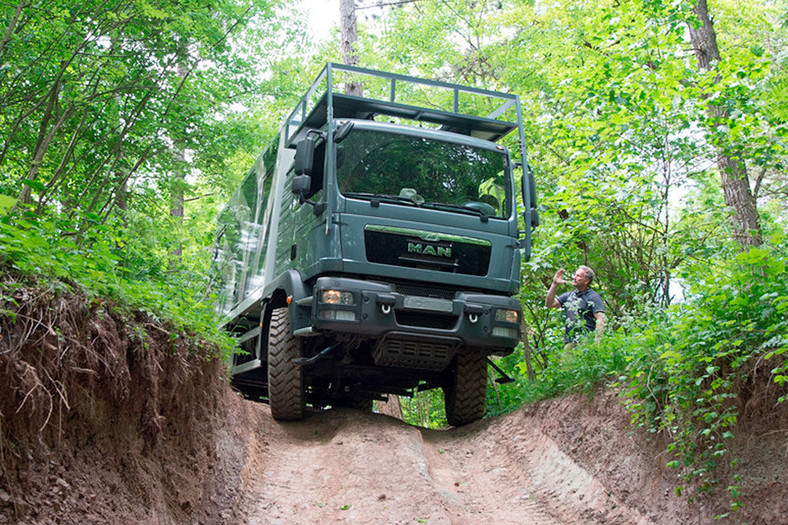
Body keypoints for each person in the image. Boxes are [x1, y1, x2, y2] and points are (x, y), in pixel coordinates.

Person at [545, 266, 605, 348]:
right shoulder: (569, 295)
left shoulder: (593, 296)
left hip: (586, 342)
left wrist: (597, 342)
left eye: (578, 276)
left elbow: (600, 319)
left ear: (587, 281)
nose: (574, 278)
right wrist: (554, 284)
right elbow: (549, 304)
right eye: (575, 275)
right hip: (570, 342)